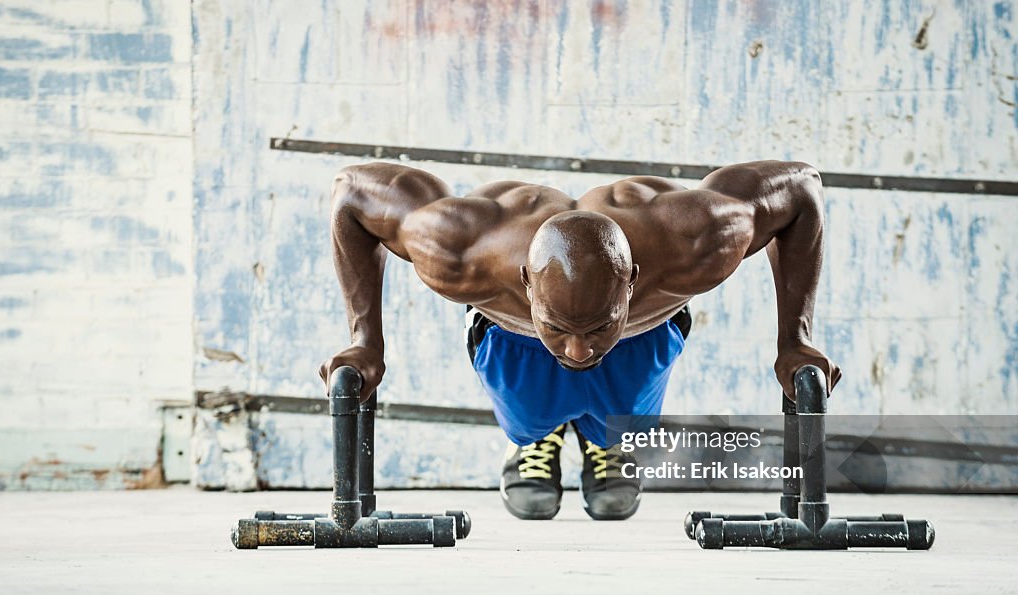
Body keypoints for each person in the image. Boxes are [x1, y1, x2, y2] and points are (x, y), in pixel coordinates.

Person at [318, 160, 842, 521]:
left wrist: (795, 338)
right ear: (525, 280)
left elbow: (800, 189)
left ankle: (606, 443)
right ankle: (533, 438)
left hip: (640, 336)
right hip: (514, 336)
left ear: (633, 278)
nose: (578, 351)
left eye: (595, 328)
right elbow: (351, 191)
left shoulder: (697, 236)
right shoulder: (459, 245)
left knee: (618, 432)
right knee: (531, 435)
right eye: (561, 329)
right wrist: (365, 340)